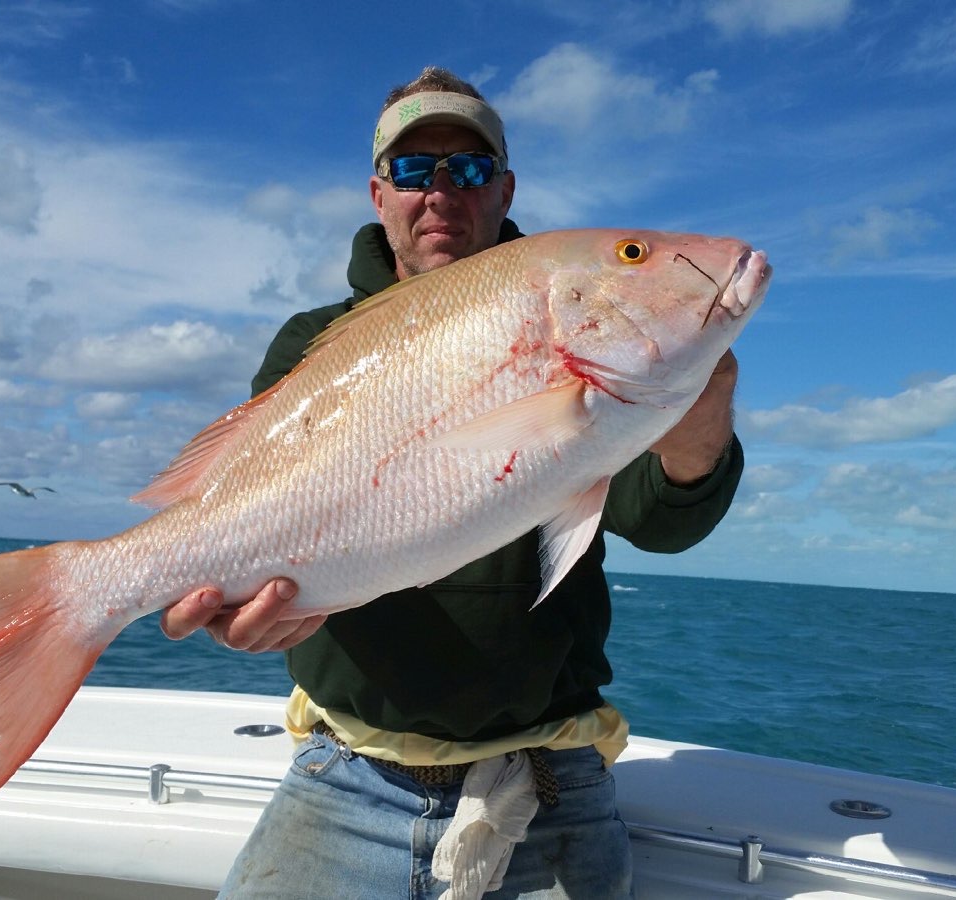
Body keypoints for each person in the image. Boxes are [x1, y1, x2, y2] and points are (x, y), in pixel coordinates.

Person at [160, 67, 744, 899]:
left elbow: (663, 521)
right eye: (412, 170)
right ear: (377, 193)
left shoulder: (582, 342)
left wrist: (698, 404)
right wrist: (258, 612)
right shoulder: (309, 341)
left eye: (467, 171)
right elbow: (268, 520)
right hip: (347, 775)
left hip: (550, 785)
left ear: (504, 189)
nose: (440, 192)